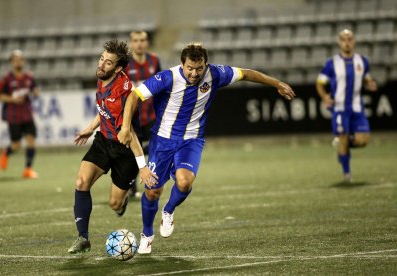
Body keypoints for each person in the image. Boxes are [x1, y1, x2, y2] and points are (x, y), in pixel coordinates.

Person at [118, 43, 295, 254]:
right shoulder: (167, 78)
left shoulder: (216, 74)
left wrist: (276, 84)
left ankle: (169, 210)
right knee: (153, 190)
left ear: (205, 64)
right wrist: (126, 127)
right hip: (162, 141)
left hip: (192, 140)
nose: (194, 73)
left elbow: (246, 74)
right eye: (190, 68)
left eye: (199, 68)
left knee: (184, 182)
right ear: (182, 64)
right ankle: (147, 234)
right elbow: (134, 96)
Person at [67, 39, 158, 254]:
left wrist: (142, 166)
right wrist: (90, 128)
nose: (101, 64)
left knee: (115, 205)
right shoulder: (104, 78)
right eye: (101, 59)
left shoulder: (121, 95)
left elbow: (131, 135)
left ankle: (122, 201)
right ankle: (83, 238)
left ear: (118, 69)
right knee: (81, 181)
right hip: (103, 142)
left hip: (124, 151)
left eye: (108, 63)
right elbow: (103, 110)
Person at [316, 29, 378, 182]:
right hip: (340, 108)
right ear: (339, 42)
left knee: (363, 141)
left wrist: (369, 84)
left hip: (357, 108)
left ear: (354, 41)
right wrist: (324, 96)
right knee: (343, 137)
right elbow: (319, 83)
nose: (347, 42)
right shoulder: (332, 63)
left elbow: (366, 78)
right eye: (344, 39)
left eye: (349, 39)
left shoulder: (362, 61)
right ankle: (347, 174)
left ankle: (342, 145)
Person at [125, 30, 162, 198]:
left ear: (147, 42)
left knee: (156, 148)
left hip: (152, 115)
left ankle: (152, 183)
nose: (139, 43)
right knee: (133, 151)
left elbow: (163, 86)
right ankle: (131, 187)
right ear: (131, 43)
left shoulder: (154, 61)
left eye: (142, 40)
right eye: (136, 40)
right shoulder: (125, 64)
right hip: (133, 117)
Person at [0, 50, 40, 179]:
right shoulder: (6, 79)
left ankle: (28, 169)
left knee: (31, 141)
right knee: (16, 145)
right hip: (13, 116)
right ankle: (6, 152)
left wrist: (36, 92)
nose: (18, 61)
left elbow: (35, 89)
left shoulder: (29, 77)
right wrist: (12, 99)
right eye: (15, 59)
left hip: (27, 114)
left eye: (20, 59)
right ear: (11, 62)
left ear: (24, 61)